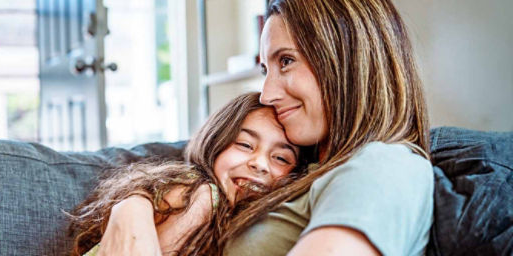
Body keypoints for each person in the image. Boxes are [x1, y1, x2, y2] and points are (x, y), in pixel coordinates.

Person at [100, 0, 434, 255]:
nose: (267, 94)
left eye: (286, 61)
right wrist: (133, 205)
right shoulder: (311, 168)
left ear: (346, 59)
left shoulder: (381, 167)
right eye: (265, 70)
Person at [68, 92, 312, 256]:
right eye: (245, 145)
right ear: (215, 144)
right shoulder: (201, 195)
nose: (260, 164)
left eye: (281, 158)